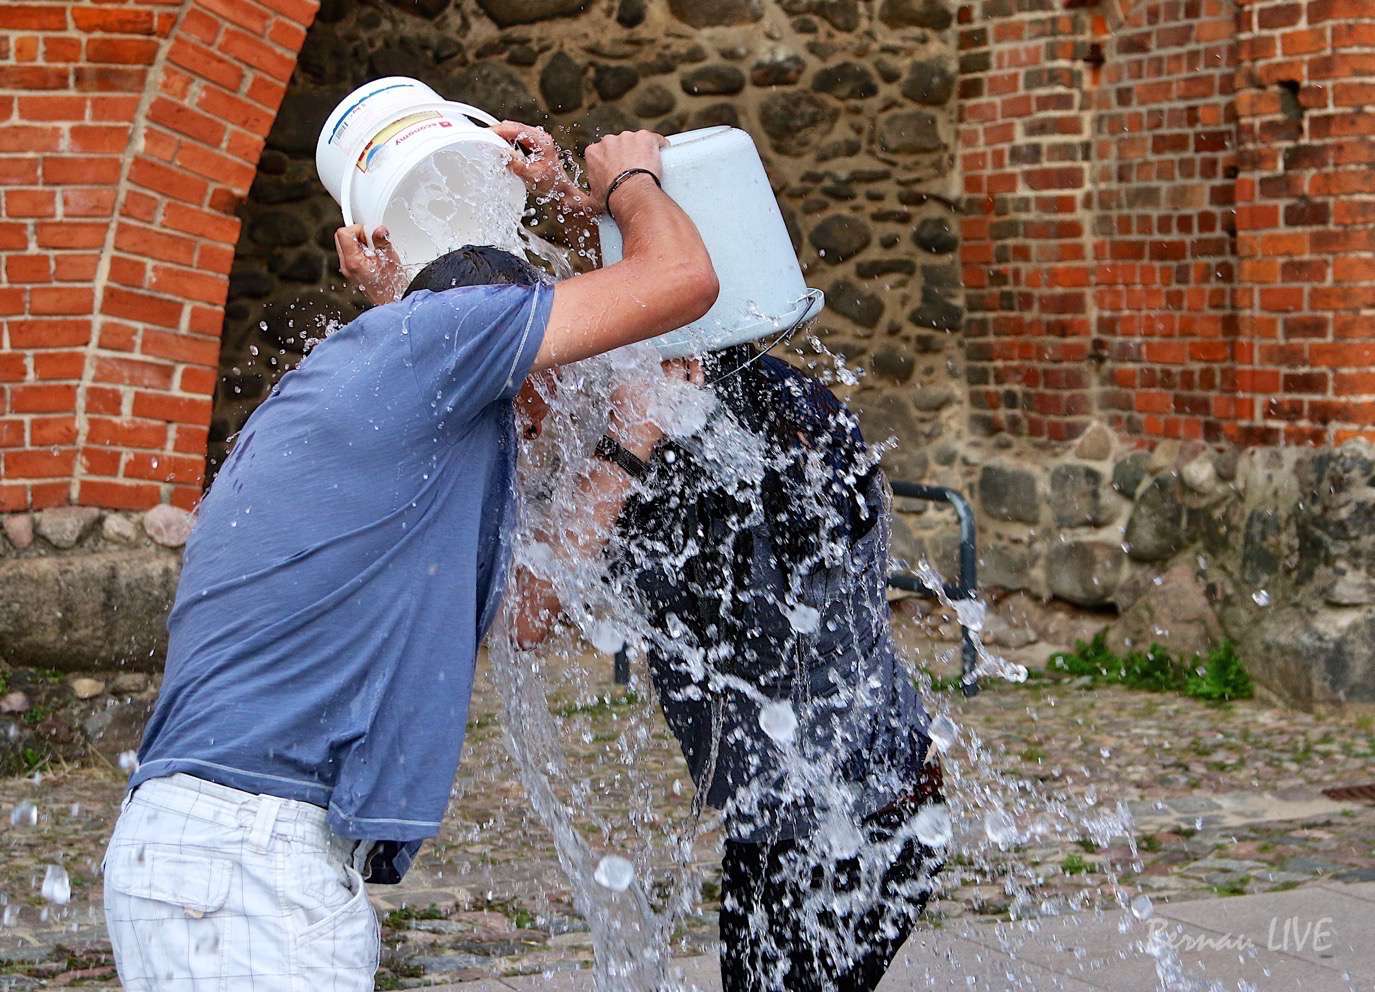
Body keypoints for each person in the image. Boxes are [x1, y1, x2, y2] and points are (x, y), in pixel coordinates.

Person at [101, 127, 718, 991]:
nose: (558, 413)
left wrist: (626, 445)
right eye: (557, 367)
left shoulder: (382, 386)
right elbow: (681, 282)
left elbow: (524, 617)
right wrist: (629, 184)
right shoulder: (436, 344)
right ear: (504, 346)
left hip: (236, 857)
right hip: (246, 863)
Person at [487, 125, 945, 992]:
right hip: (799, 817)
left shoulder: (717, 432)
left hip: (851, 822)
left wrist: (619, 451)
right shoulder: (709, 400)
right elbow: (659, 311)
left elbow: (526, 614)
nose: (525, 386)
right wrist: (574, 203)